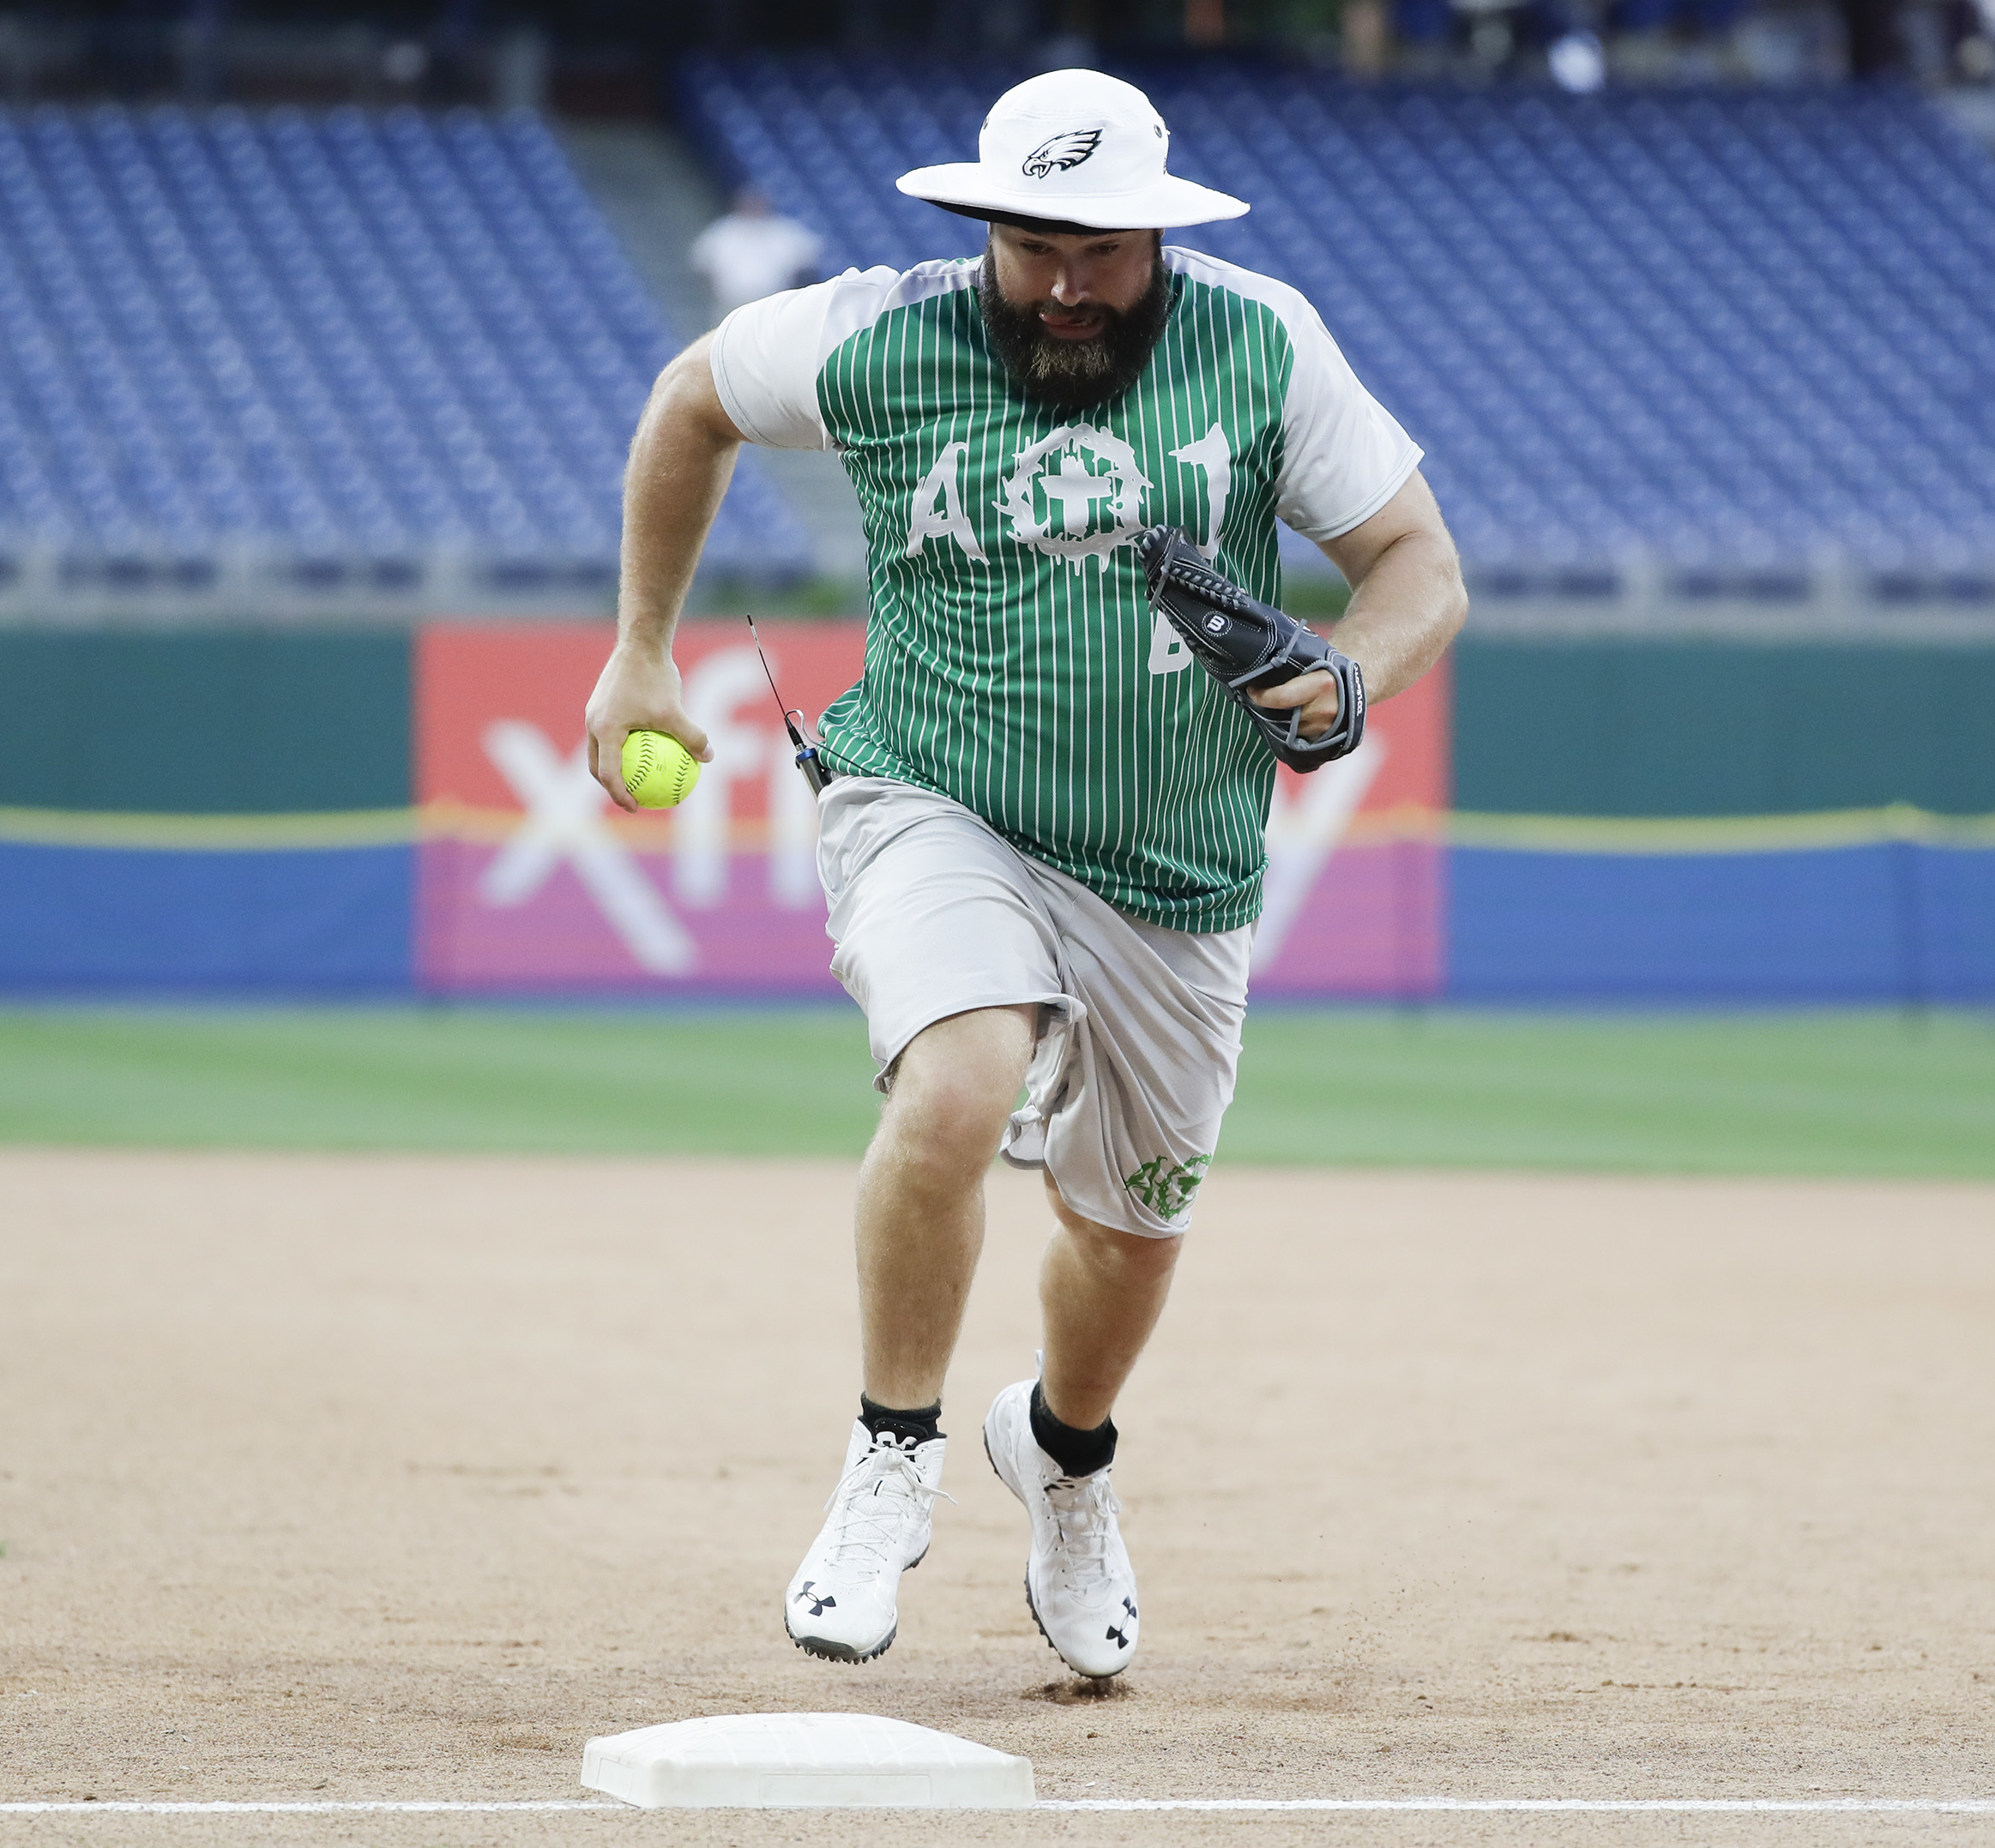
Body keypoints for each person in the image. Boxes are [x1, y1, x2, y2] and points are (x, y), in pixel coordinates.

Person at [585, 69, 1466, 1680]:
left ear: (1158, 237)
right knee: (956, 1082)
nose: (1067, 282)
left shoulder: (1262, 341)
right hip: (934, 793)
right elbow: (690, 397)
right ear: (981, 222)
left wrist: (1347, 677)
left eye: (1104, 252)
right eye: (1032, 245)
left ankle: (1062, 1457)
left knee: (1130, 1240)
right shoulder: (873, 334)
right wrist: (640, 647)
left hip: (1177, 864)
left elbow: (1420, 565)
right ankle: (888, 1456)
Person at [689, 187, 823, 322]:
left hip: (772, 301)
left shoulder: (784, 231)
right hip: (731, 302)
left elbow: (808, 260)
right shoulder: (723, 231)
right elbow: (702, 264)